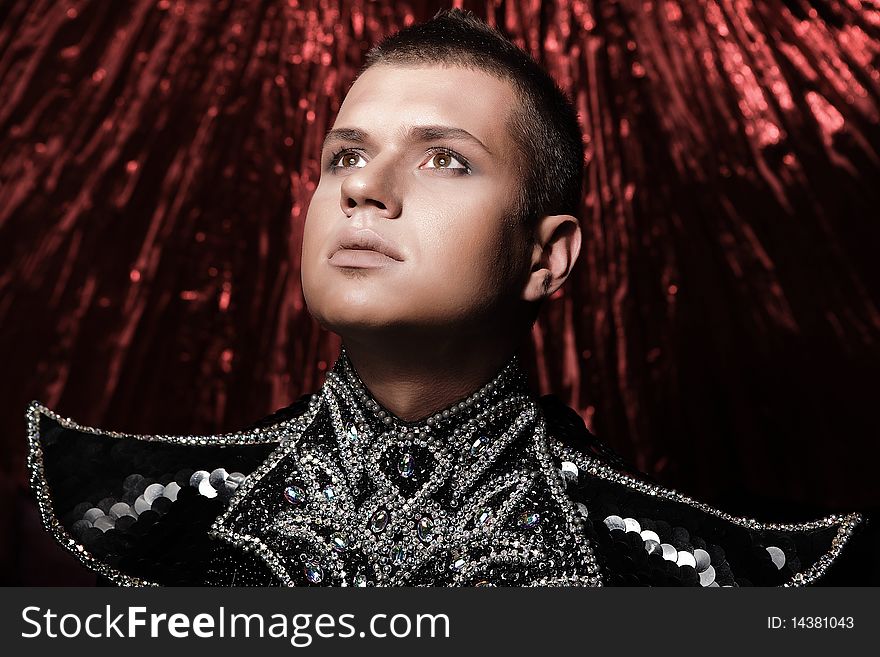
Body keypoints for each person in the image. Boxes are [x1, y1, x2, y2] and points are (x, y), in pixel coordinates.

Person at [27, 8, 875, 587]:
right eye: (344, 157)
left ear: (548, 258)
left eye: (446, 160)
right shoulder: (125, 526)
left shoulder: (707, 575)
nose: (367, 190)